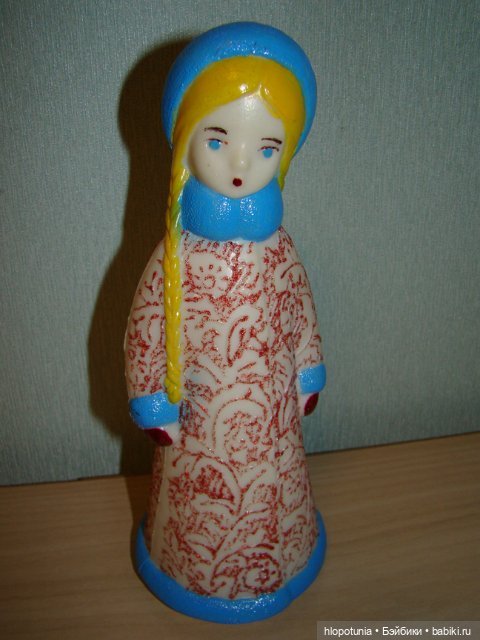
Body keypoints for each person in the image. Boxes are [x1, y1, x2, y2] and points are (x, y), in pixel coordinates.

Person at [125, 22, 327, 623]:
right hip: (201, 423)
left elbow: (299, 306)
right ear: (185, 139)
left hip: (271, 417)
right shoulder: (175, 257)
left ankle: (284, 559)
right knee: (199, 506)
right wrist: (152, 399)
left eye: (266, 149)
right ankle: (191, 572)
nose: (241, 165)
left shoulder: (279, 246)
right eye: (218, 140)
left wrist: (308, 367)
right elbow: (146, 326)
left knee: (274, 492)